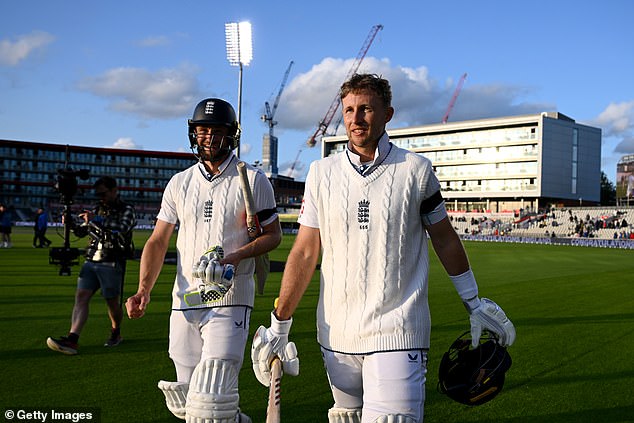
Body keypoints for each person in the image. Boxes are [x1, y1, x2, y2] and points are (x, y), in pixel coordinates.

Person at [251, 74, 516, 423]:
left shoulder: (416, 171)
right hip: (337, 334)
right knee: (345, 417)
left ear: (387, 114)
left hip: (398, 328)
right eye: (348, 110)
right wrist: (279, 323)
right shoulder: (321, 173)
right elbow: (304, 251)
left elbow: (445, 237)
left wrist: (473, 300)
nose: (355, 119)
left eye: (365, 109)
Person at [126, 98, 282, 423]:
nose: (208, 137)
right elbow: (158, 240)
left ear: (231, 134)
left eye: (216, 131)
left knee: (212, 401)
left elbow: (273, 236)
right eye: (202, 130)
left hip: (230, 298)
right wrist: (143, 289)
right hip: (185, 300)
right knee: (186, 404)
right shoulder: (179, 183)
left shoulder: (253, 181)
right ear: (193, 133)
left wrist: (237, 256)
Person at [47, 176, 136, 355]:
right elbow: (82, 232)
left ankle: (115, 331)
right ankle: (72, 339)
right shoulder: (97, 209)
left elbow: (121, 228)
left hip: (112, 260)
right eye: (98, 194)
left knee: (112, 302)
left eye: (103, 193)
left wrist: (96, 220)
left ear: (114, 190)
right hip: (91, 259)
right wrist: (71, 224)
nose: (101, 197)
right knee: (81, 297)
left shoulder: (127, 209)